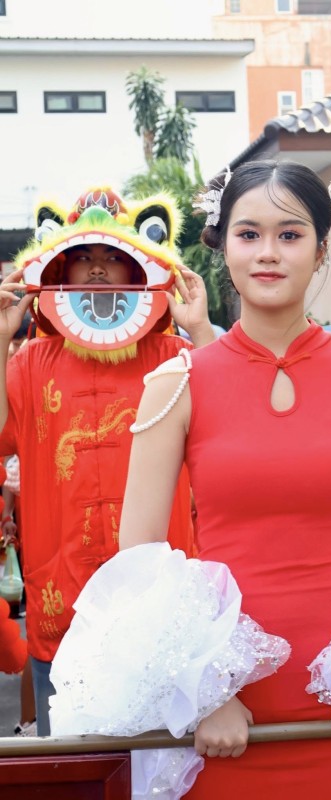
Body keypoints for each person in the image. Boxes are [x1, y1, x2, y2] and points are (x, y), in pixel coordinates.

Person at [115, 160, 331, 798]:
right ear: (223, 247)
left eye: (290, 235)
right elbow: (141, 554)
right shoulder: (175, 383)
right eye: (249, 234)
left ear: (321, 250)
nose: (268, 252)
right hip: (224, 709)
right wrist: (203, 690)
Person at [0, 186, 215, 735]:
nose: (97, 269)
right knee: (70, 760)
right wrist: (0, 340)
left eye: (113, 257)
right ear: (60, 272)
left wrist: (201, 330)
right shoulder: (29, 363)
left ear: (138, 271)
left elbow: (230, 431)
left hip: (160, 605)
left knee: (165, 759)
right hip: (62, 599)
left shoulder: (177, 357)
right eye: (83, 257)